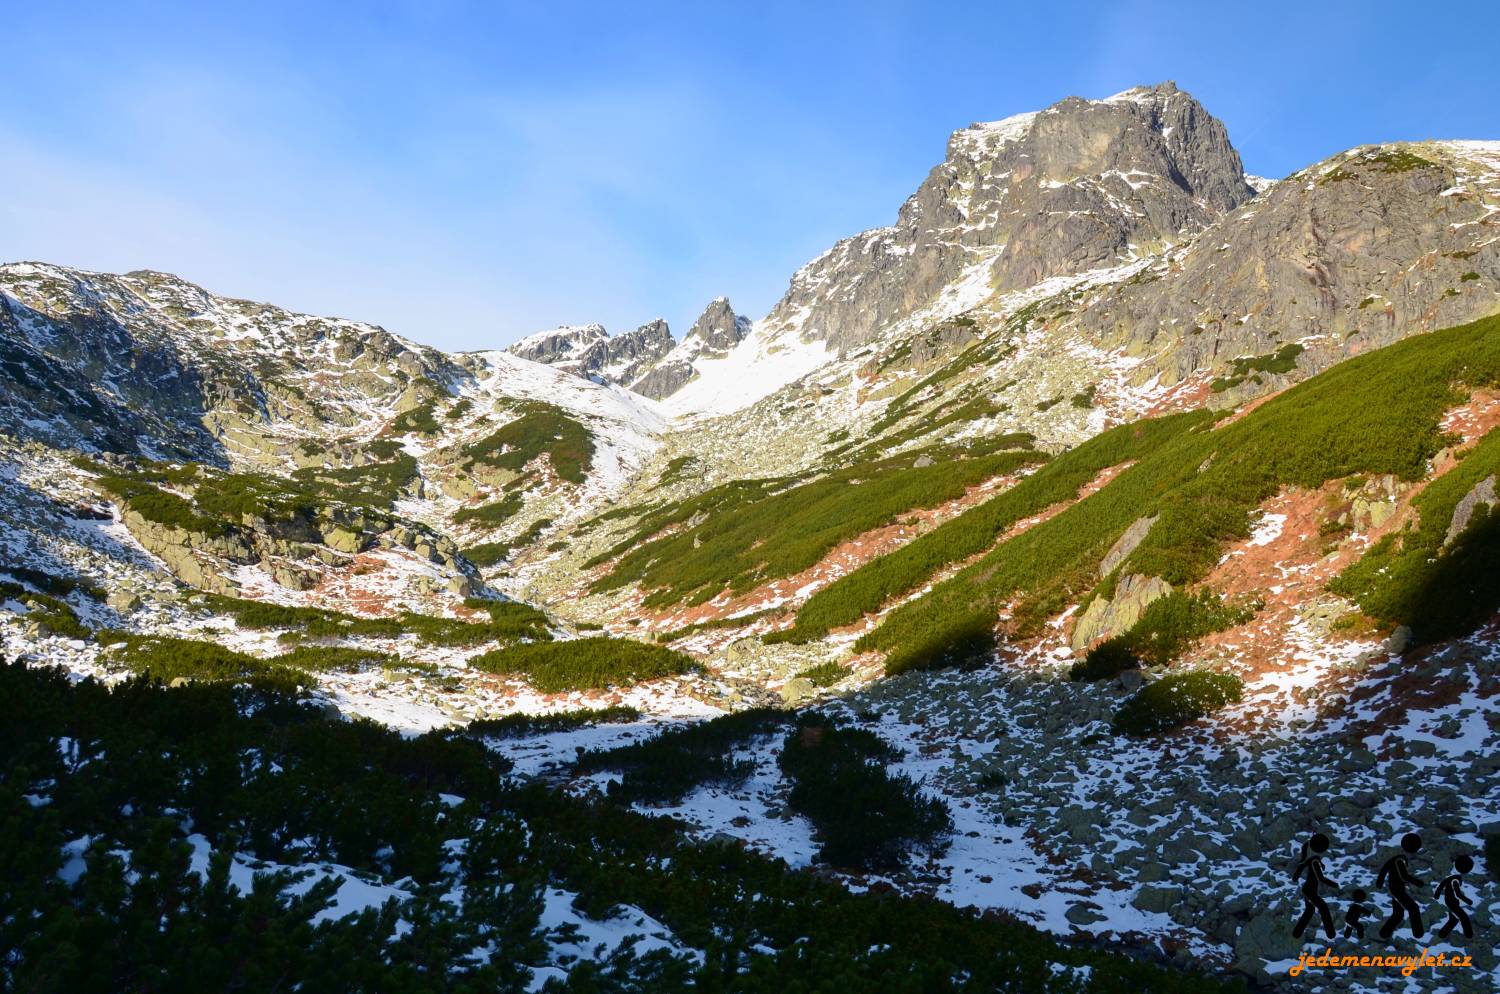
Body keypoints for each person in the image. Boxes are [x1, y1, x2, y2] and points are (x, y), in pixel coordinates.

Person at [1377, 832, 1425, 940]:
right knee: (1414, 909)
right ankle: (1418, 934)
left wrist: (1379, 882)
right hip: (1397, 890)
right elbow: (1404, 876)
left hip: (1395, 889)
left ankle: (1383, 934)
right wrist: (1417, 882)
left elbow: (1385, 868)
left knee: (1398, 913)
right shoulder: (1400, 860)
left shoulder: (1396, 859)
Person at [1292, 833, 1338, 939]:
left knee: (1310, 910)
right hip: (1309, 890)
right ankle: (1331, 934)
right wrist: (1334, 884)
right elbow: (1321, 878)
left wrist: (1295, 877)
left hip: (1308, 889)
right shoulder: (1315, 862)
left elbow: (1300, 866)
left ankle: (1296, 933)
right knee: (1323, 907)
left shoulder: (1312, 860)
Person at [1435, 854, 1475, 940]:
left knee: (1453, 919)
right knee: (1464, 917)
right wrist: (1468, 901)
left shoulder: (1451, 878)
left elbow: (1442, 883)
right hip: (1452, 902)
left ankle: (1442, 934)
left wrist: (1437, 894)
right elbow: (1458, 894)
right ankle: (1469, 936)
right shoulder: (1455, 880)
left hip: (1449, 901)